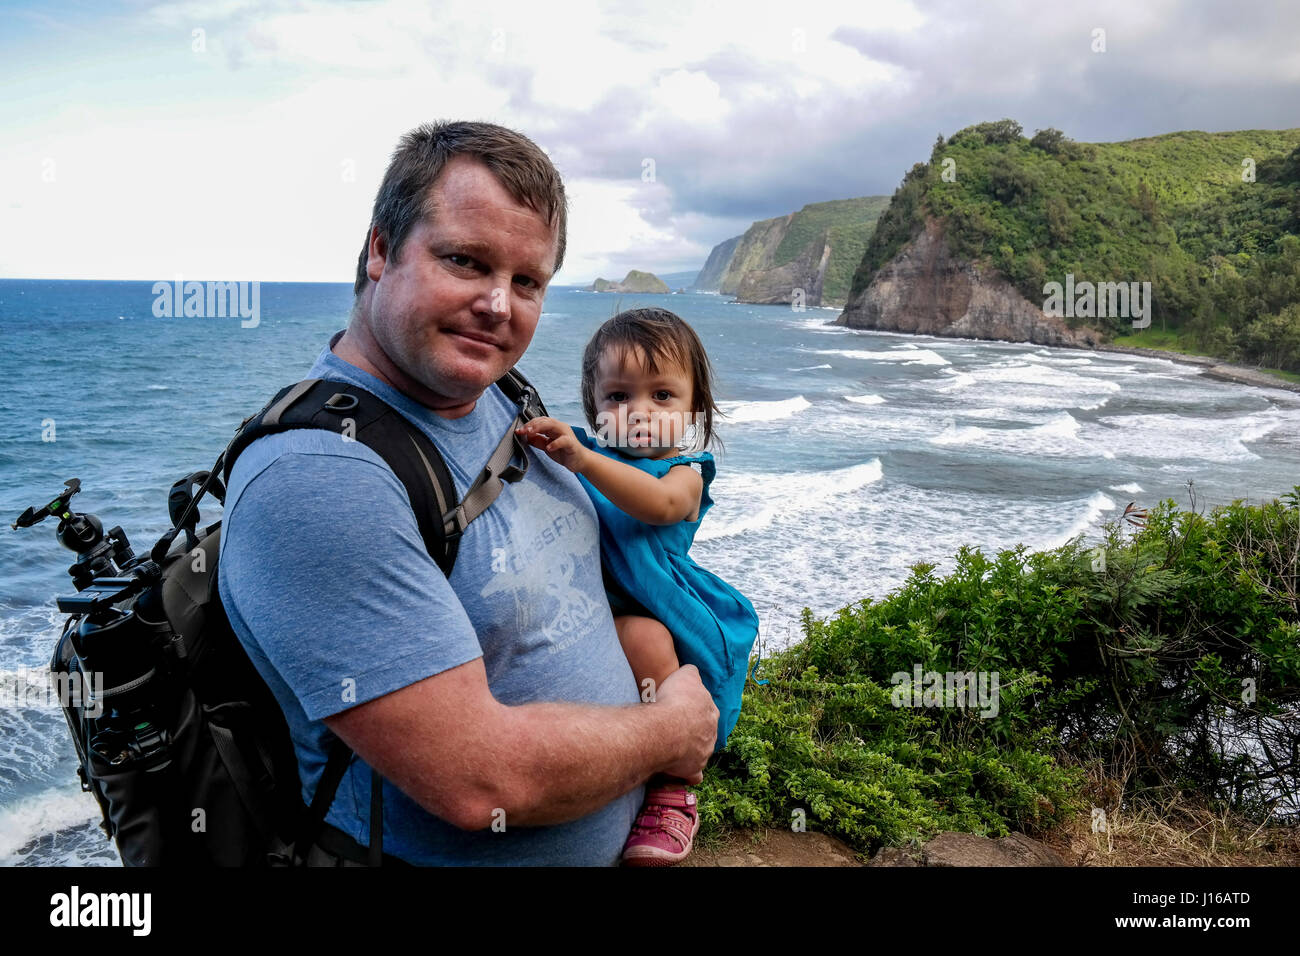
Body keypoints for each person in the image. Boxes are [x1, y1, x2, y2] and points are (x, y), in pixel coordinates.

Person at [217, 121, 719, 865]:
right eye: (465, 260)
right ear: (381, 249)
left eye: (528, 282)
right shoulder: (317, 482)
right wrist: (672, 732)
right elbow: (481, 781)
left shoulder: (499, 392)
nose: (498, 305)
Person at [515, 308, 760, 865]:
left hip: (652, 601)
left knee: (646, 642)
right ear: (593, 405)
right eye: (619, 396)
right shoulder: (587, 451)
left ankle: (675, 786)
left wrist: (582, 461)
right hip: (584, 596)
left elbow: (660, 507)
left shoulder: (686, 471)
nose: (639, 412)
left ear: (694, 408)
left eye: (662, 396)